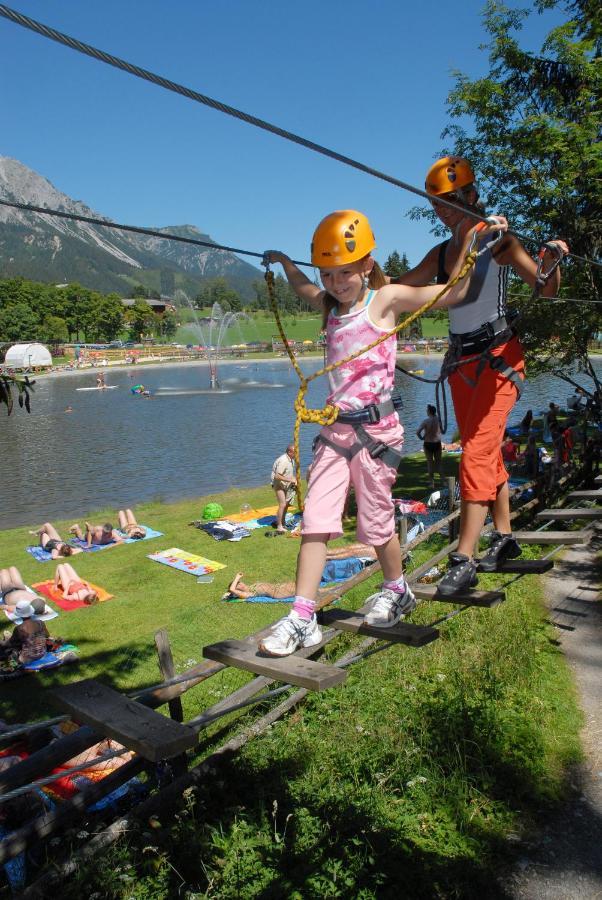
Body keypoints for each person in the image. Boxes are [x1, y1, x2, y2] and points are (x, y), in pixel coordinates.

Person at [258, 208, 506, 655]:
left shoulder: (385, 300)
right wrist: (285, 262)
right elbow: (303, 288)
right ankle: (302, 615)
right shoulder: (331, 306)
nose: (336, 283)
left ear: (367, 265)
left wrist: (478, 245)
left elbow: (456, 291)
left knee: (375, 526)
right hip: (335, 433)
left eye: (346, 273)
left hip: (376, 435)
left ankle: (397, 587)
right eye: (329, 274)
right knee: (314, 523)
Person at [392, 156, 568, 595]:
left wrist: (553, 258)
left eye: (452, 199)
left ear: (471, 194)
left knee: (475, 454)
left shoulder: (497, 238)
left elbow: (545, 286)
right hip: (462, 365)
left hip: (498, 358)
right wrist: (359, 281)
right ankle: (504, 537)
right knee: (483, 453)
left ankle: (463, 558)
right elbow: (397, 289)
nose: (444, 208)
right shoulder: (440, 254)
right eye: (437, 202)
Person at [0, 600, 49, 665]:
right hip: (42, 653)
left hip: (27, 659)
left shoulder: (20, 628)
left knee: (6, 649)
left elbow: (10, 644)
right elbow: (47, 635)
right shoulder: (40, 622)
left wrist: (3, 642)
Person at [270, 444, 297, 534]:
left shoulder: (291, 460)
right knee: (282, 504)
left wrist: (294, 480)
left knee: (286, 504)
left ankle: (282, 522)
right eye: (295, 452)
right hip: (278, 485)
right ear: (289, 452)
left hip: (285, 484)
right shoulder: (283, 460)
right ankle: (279, 526)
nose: (297, 454)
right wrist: (290, 479)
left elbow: (288, 473)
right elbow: (277, 476)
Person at [416, 404, 442, 488]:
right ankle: (444, 481)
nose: (426, 411)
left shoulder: (426, 421)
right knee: (438, 463)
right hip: (437, 443)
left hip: (428, 443)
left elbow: (417, 432)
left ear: (429, 411)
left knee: (430, 463)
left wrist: (421, 438)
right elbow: (441, 430)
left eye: (427, 410)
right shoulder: (438, 420)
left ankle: (431, 483)